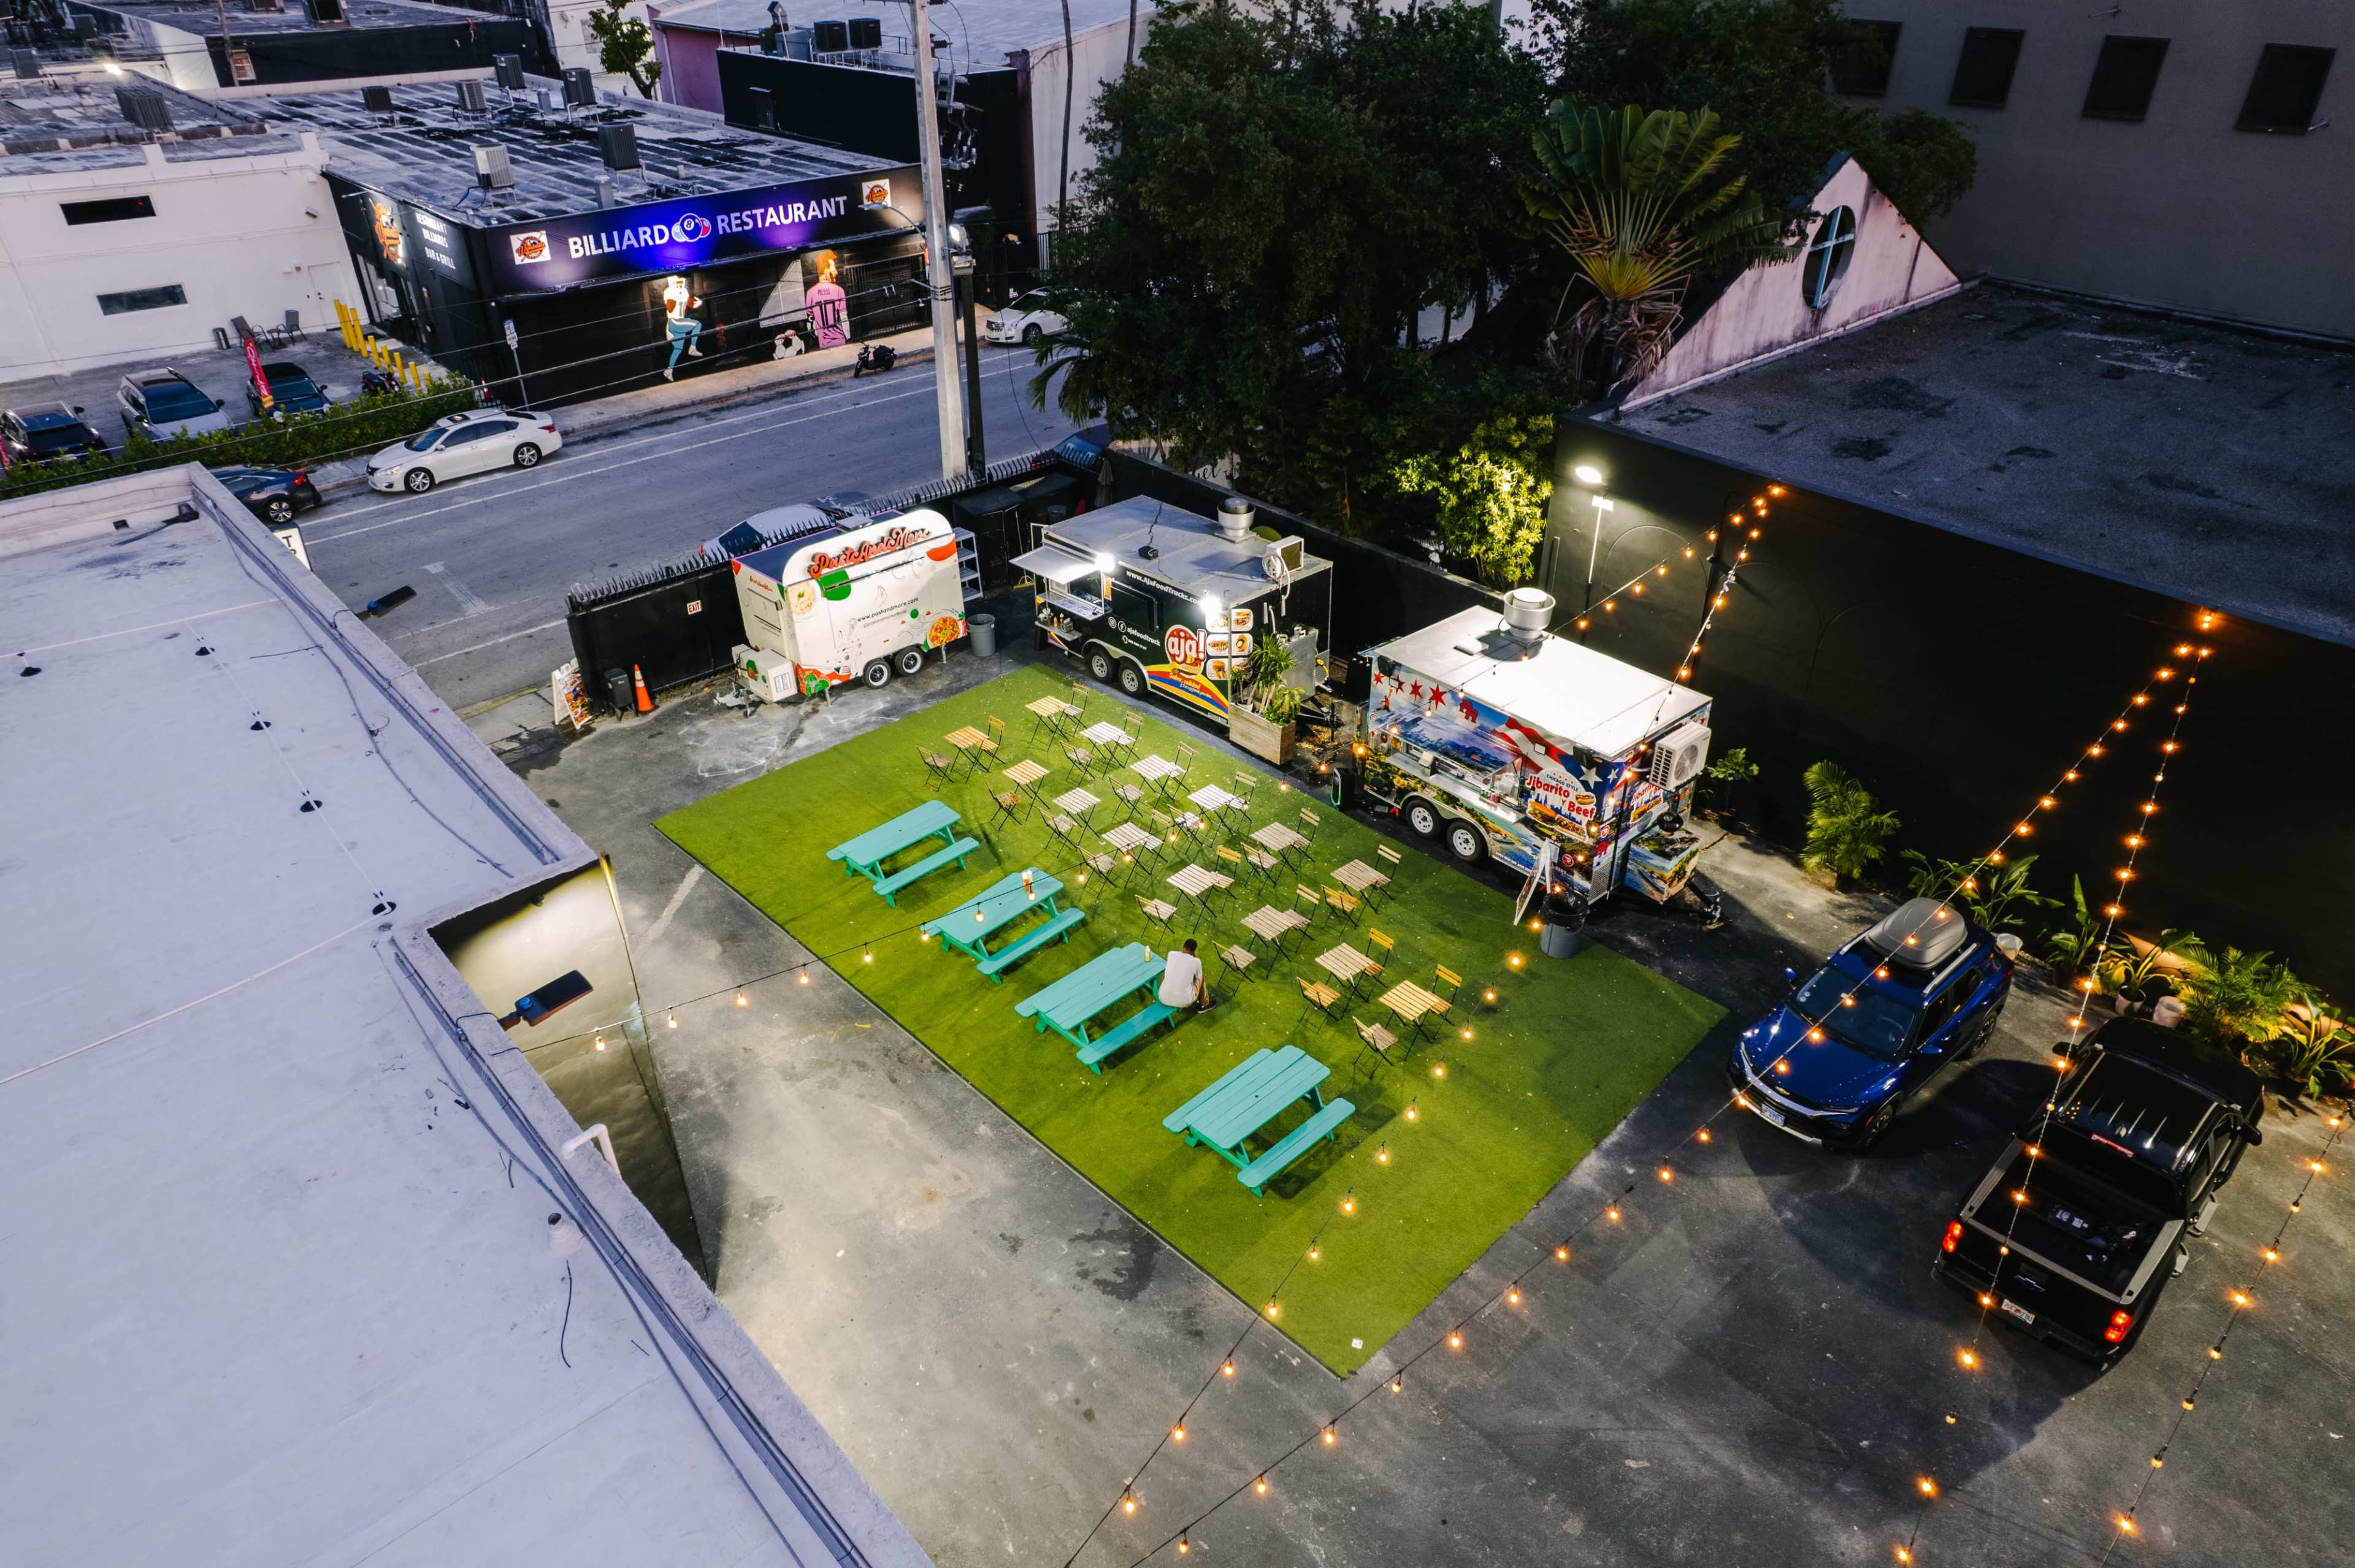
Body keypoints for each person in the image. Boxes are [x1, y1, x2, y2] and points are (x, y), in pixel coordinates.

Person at [660, 277, 703, 380]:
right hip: (675, 322)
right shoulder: (670, 292)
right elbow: (670, 308)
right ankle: (692, 348)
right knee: (697, 324)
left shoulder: (684, 291)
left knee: (678, 349)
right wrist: (676, 296)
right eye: (678, 283)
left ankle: (669, 370)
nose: (680, 285)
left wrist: (698, 303)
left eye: (681, 283)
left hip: (680, 321)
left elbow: (689, 303)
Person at [805, 250, 849, 349]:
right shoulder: (839, 290)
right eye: (834, 267)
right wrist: (849, 339)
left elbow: (810, 323)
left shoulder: (810, 293)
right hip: (840, 341)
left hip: (822, 345)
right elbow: (844, 318)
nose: (836, 272)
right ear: (826, 269)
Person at [1160, 938, 1214, 1012]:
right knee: (1201, 978)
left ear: (1183, 946)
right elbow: (1198, 977)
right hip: (1184, 1001)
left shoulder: (1171, 954)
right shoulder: (1196, 961)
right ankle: (1204, 1004)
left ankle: (1203, 1003)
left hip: (1163, 997)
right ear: (1193, 951)